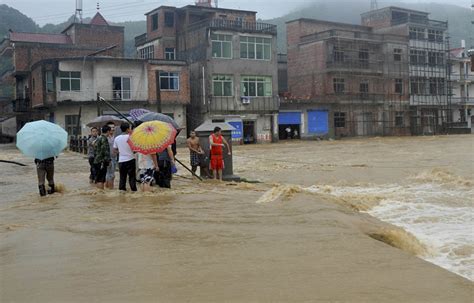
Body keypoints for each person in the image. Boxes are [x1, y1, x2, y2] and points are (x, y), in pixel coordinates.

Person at [113, 123, 137, 192]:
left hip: (121, 161)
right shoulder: (131, 137)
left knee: (122, 177)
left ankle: (121, 191)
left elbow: (114, 150)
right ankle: (133, 191)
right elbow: (134, 149)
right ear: (127, 129)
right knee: (132, 177)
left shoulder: (117, 138)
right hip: (131, 159)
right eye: (129, 128)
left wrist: (120, 152)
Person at [94, 125, 112, 190]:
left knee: (98, 178)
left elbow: (95, 148)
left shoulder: (98, 138)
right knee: (101, 179)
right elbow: (105, 151)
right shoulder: (104, 139)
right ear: (108, 131)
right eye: (110, 131)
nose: (110, 133)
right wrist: (109, 160)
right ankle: (101, 193)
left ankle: (98, 194)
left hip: (96, 160)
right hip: (102, 162)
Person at [105, 122, 117, 189]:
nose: (112, 129)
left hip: (114, 157)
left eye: (113, 127)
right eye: (110, 127)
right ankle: (110, 189)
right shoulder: (105, 137)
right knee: (109, 175)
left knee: (112, 174)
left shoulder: (116, 137)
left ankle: (108, 189)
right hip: (108, 158)